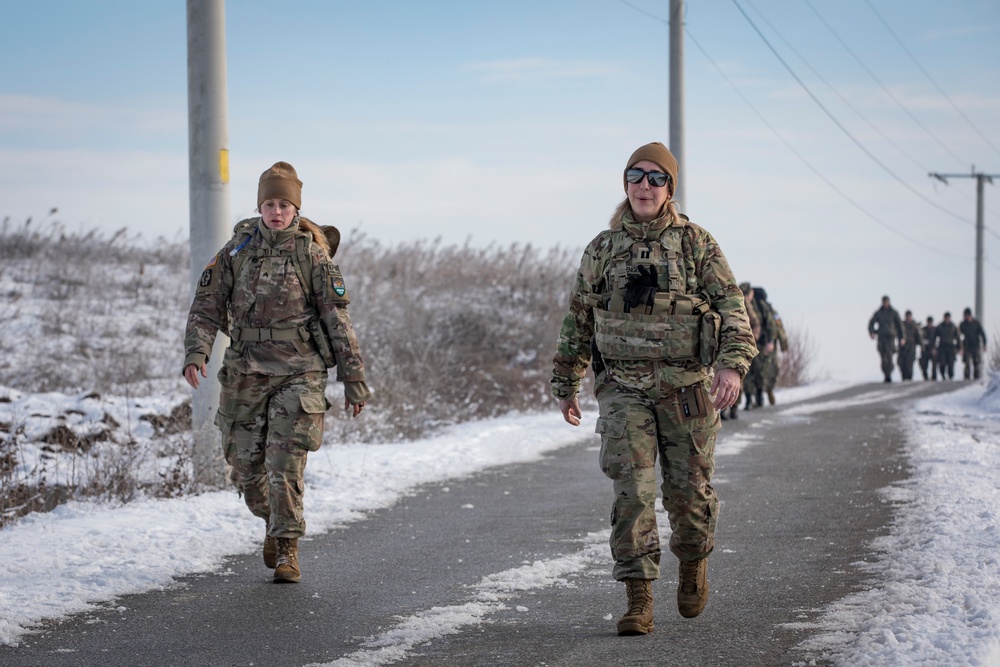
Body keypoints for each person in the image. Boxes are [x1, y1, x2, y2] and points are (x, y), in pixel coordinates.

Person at [550, 142, 757, 635]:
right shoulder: (602, 248)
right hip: (623, 388)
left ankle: (692, 560)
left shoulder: (695, 243)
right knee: (633, 493)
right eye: (636, 175)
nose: (645, 185)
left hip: (686, 387)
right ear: (624, 184)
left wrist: (731, 367)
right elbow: (578, 319)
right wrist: (565, 382)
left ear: (670, 189)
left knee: (688, 494)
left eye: (656, 178)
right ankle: (638, 598)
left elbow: (733, 310)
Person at [182, 161, 371, 584]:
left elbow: (337, 318)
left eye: (284, 204)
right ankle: (271, 521)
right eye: (269, 203)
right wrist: (197, 352)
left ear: (295, 208)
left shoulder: (311, 253)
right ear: (260, 206)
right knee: (245, 469)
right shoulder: (237, 250)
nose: (276, 211)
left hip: (298, 372)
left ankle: (288, 548)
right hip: (245, 369)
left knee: (285, 463)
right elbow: (207, 303)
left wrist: (353, 379)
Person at [753, 286, 784, 404]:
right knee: (764, 369)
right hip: (764, 343)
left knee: (763, 369)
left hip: (765, 343)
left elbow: (774, 326)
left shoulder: (763, 308)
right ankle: (761, 393)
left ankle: (763, 392)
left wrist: (771, 341)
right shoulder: (765, 308)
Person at [868, 296, 903, 382]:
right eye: (884, 302)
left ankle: (889, 374)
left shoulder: (894, 313)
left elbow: (900, 326)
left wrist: (902, 338)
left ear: (889, 302)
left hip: (890, 338)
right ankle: (885, 373)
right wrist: (872, 332)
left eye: (886, 302)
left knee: (889, 356)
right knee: (883, 356)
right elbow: (871, 323)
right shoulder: (879, 313)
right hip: (881, 337)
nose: (885, 303)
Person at [959, 307, 987, 380]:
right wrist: (960, 347)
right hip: (966, 346)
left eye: (967, 316)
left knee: (976, 363)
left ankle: (976, 379)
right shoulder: (962, 324)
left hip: (975, 346)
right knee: (967, 363)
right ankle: (966, 378)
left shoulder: (976, 323)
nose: (966, 317)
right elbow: (958, 336)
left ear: (970, 315)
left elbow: (982, 334)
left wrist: (984, 345)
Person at [897, 310, 921, 381]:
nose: (908, 318)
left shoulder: (914, 326)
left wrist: (922, 346)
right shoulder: (901, 325)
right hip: (902, 347)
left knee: (909, 363)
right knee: (901, 363)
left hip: (911, 347)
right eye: (907, 316)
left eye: (909, 316)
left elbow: (918, 337)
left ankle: (909, 378)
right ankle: (904, 377)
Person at [936, 311, 960, 380]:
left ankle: (950, 376)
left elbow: (958, 337)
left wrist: (959, 348)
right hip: (942, 346)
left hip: (951, 347)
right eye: (946, 318)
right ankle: (943, 375)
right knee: (942, 362)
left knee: (951, 363)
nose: (947, 319)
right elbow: (934, 337)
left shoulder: (953, 327)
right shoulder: (940, 326)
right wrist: (934, 347)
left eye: (948, 318)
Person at [919, 316, 938, 381]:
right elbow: (920, 337)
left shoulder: (935, 329)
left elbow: (939, 338)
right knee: (923, 365)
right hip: (925, 349)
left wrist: (935, 348)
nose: (929, 324)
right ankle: (925, 377)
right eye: (928, 322)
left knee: (934, 365)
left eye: (931, 322)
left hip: (933, 349)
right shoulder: (923, 329)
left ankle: (934, 378)